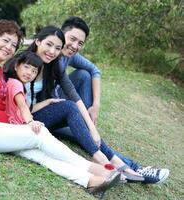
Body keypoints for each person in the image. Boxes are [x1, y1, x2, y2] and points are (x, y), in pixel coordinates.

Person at [0, 19, 121, 196]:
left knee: (39, 154)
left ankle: (90, 181)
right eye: (5, 40)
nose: (9, 47)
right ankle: (95, 168)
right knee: (39, 134)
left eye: (13, 44)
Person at [25, 25, 148, 183]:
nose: (52, 51)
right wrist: (47, 103)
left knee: (77, 114)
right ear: (37, 41)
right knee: (69, 108)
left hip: (42, 116)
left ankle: (115, 162)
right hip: (26, 119)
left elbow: (74, 96)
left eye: (57, 48)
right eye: (48, 45)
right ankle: (105, 162)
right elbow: (17, 104)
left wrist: (93, 128)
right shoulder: (23, 63)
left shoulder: (54, 65)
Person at [54, 16, 170, 183]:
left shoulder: (67, 56)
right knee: (84, 134)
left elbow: (95, 70)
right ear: (61, 33)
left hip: (63, 105)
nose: (75, 46)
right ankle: (132, 168)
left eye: (80, 43)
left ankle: (90, 131)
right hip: (50, 115)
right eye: (72, 39)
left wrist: (96, 105)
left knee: (84, 74)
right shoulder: (48, 55)